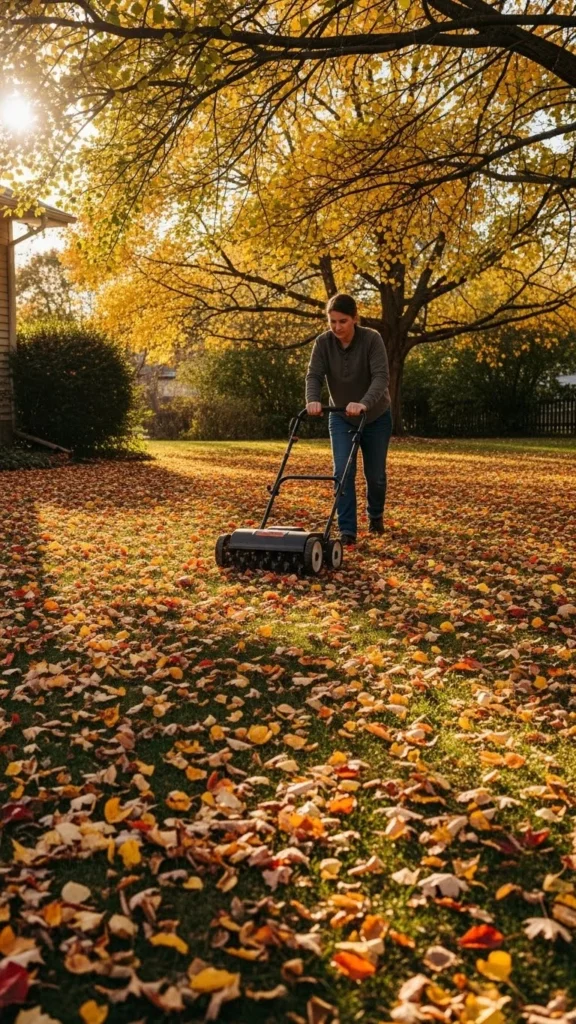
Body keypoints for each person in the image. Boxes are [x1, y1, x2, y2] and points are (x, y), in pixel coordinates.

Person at [305, 293, 392, 546]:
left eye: (342, 321)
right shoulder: (323, 343)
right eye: (332, 321)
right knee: (342, 471)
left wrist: (364, 403)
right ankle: (347, 531)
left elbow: (381, 377)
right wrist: (312, 400)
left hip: (376, 416)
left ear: (355, 318)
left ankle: (375, 515)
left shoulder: (372, 339)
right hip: (341, 417)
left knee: (375, 476)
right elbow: (314, 375)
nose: (337, 327)